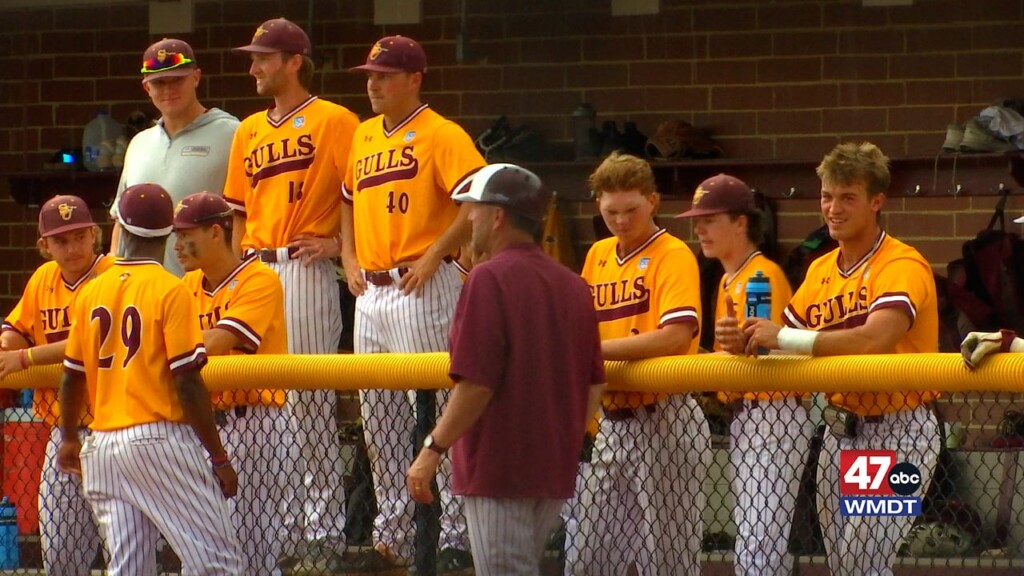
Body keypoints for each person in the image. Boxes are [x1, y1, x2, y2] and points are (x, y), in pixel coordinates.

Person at [717, 142, 940, 576]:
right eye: (826, 196)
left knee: (863, 562)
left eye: (848, 197)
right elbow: (777, 340)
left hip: (897, 430)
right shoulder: (821, 270)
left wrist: (782, 336)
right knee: (846, 565)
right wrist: (741, 337)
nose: (833, 209)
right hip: (842, 430)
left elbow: (875, 339)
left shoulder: (902, 262)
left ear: (877, 201)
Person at [404, 163, 606, 574]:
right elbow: (594, 384)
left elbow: (476, 383)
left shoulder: (488, 278)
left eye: (474, 209)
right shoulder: (573, 284)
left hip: (499, 468)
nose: (470, 219)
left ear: (498, 216)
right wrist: (564, 441)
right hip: (553, 468)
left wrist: (432, 449)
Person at [340, 35, 486, 570]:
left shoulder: (441, 133)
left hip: (422, 284)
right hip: (371, 290)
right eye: (370, 75)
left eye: (385, 75)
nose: (373, 84)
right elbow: (347, 203)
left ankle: (452, 536)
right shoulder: (362, 135)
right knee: (379, 423)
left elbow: (477, 202)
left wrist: (435, 255)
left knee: (434, 412)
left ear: (414, 79)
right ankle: (394, 535)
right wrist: (350, 258)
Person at [224, 17, 359, 563]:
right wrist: (234, 274)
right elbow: (236, 212)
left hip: (304, 270)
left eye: (263, 57)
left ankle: (321, 528)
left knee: (306, 402)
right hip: (256, 267)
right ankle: (275, 528)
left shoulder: (336, 120)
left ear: (294, 61)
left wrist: (337, 246)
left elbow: (361, 194)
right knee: (256, 404)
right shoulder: (248, 129)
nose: (253, 67)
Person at [57, 183, 243, 575]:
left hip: (102, 446)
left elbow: (72, 378)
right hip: (158, 440)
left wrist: (70, 437)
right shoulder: (171, 290)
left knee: (129, 568)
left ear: (119, 229)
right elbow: (188, 381)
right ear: (168, 233)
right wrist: (218, 455)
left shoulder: (90, 292)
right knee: (218, 563)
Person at [574, 152, 709, 576]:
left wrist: (593, 351)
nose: (620, 220)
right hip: (613, 422)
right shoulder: (597, 254)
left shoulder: (673, 253)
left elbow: (675, 336)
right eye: (610, 210)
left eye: (631, 209)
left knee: (668, 565)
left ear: (653, 201)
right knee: (587, 559)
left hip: (664, 417)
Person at [677, 174, 807, 576]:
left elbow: (763, 349)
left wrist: (738, 347)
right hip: (749, 418)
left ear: (741, 223)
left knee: (758, 542)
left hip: (773, 415)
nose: (699, 228)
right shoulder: (728, 276)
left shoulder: (759, 276)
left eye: (710, 219)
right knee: (757, 540)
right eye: (697, 220)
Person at [172, 191, 296, 574]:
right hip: (205, 424)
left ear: (215, 232)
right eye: (175, 234)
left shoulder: (259, 279)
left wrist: (174, 348)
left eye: (186, 233)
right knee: (206, 545)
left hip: (254, 421)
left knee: (254, 550)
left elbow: (214, 343)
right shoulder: (186, 286)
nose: (178, 244)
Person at [0, 195, 112, 575]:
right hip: (61, 432)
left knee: (124, 553)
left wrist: (26, 358)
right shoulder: (43, 279)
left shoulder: (113, 273)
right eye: (61, 241)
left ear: (95, 235)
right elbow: (16, 329)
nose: (73, 247)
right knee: (60, 553)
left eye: (79, 237)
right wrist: (7, 347)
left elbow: (90, 341)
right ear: (44, 246)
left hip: (114, 431)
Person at [110, 37, 239, 277]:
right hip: (143, 294)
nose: (168, 89)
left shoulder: (232, 133)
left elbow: (248, 214)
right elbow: (121, 222)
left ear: (196, 77)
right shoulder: (139, 144)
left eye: (177, 80)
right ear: (147, 88)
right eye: (159, 83)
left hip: (205, 292)